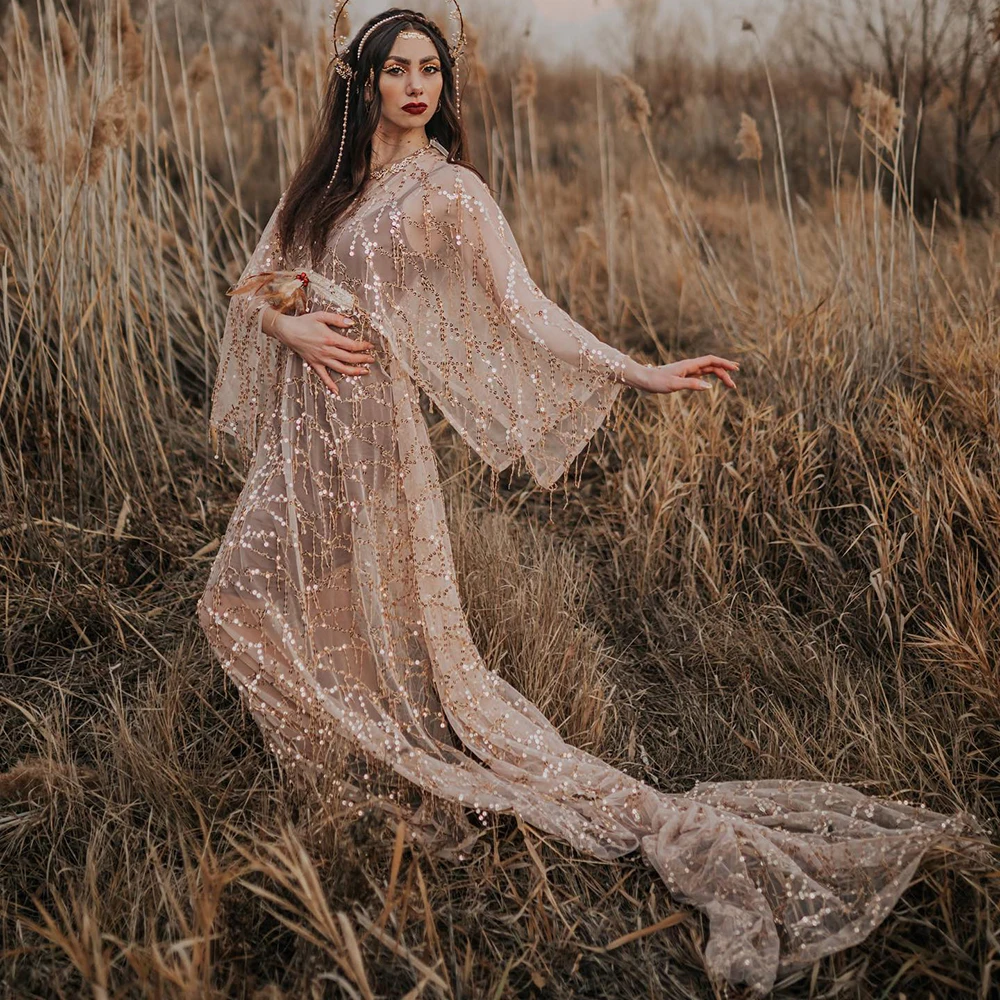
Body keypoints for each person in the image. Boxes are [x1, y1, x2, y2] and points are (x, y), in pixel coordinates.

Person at [197, 6, 980, 994]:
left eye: (429, 70)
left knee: (285, 603)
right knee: (255, 602)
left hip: (367, 436)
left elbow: (526, 310)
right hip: (299, 432)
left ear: (444, 85)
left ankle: (380, 773)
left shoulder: (450, 192)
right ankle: (347, 772)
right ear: (360, 83)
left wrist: (638, 371)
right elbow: (253, 284)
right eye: (394, 69)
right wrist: (295, 332)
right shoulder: (324, 185)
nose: (414, 85)